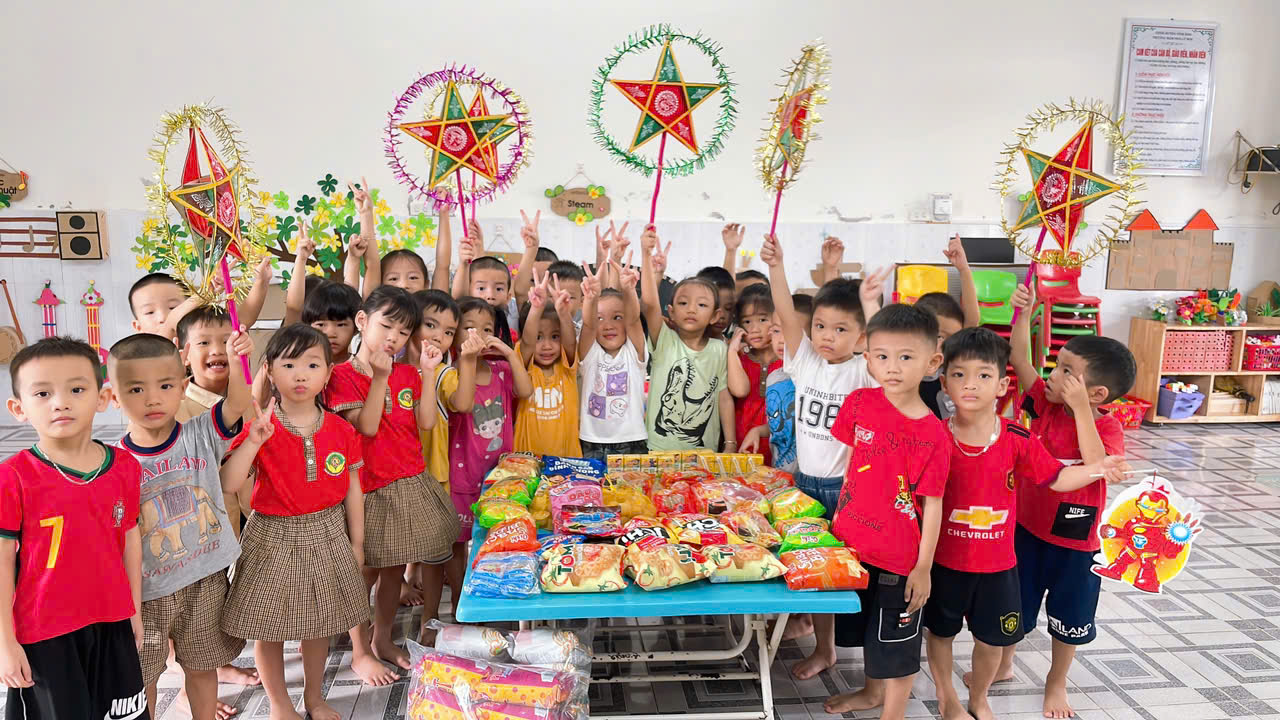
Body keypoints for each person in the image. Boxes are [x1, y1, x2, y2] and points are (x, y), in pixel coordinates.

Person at [925, 327, 1128, 720]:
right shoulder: (934, 436)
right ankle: (947, 697)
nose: (971, 384)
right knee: (943, 630)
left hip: (1008, 562)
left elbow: (1058, 476)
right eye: (959, 375)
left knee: (996, 636)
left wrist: (1099, 468)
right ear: (944, 382)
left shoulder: (1018, 438)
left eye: (984, 375)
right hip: (956, 557)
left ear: (1001, 386)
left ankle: (984, 696)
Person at [999, 283, 1137, 719]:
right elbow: (1020, 359)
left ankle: (1056, 681)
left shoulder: (1107, 427)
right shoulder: (1045, 402)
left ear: (1096, 394)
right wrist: (1025, 314)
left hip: (1076, 545)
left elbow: (1098, 463)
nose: (1053, 376)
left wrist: (1079, 411)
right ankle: (1005, 664)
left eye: (1065, 371)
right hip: (1025, 529)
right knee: (1015, 605)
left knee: (1069, 616)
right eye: (1057, 366)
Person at [220, 325, 371, 720]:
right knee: (268, 628)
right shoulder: (260, 425)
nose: (300, 374)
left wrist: (357, 543)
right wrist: (254, 440)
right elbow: (228, 483)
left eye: (312, 365)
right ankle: (279, 704)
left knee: (319, 625)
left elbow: (354, 489)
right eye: (288, 365)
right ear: (269, 371)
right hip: (271, 536)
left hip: (327, 533)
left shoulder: (341, 430)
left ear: (328, 373)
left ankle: (314, 698)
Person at [109, 331, 255, 720]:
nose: (152, 399)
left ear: (183, 386)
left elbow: (238, 402)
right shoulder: (115, 464)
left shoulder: (201, 433)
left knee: (202, 667)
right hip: (146, 594)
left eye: (165, 385)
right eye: (136, 389)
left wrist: (238, 360)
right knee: (144, 676)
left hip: (205, 579)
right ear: (113, 396)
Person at [0, 337, 148, 720]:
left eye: (76, 389)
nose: (60, 402)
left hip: (112, 620)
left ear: (102, 398)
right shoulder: (13, 477)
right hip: (44, 633)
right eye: (43, 393)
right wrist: (4, 642)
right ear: (18, 408)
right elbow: (1, 563)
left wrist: (133, 610)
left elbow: (130, 538)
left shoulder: (125, 467)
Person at [761, 232, 884, 673]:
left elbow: (884, 347)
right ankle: (825, 647)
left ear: (862, 335)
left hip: (847, 490)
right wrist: (776, 266)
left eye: (840, 329)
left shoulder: (865, 370)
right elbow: (785, 312)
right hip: (805, 485)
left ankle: (869, 655)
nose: (826, 336)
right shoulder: (806, 361)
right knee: (818, 571)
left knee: (849, 573)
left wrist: (869, 303)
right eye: (820, 326)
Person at [823, 304, 950, 719]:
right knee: (866, 632)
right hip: (851, 546)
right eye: (882, 356)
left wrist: (923, 567)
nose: (892, 367)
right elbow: (851, 462)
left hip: (900, 559)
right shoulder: (859, 402)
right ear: (868, 359)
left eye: (906, 356)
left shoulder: (933, 434)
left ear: (932, 362)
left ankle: (891, 713)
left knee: (896, 644)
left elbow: (933, 504)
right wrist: (836, 522)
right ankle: (870, 693)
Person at [324, 287, 459, 674]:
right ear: (362, 321)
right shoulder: (341, 376)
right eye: (386, 326)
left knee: (393, 570)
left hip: (408, 481)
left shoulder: (407, 374)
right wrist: (381, 378)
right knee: (362, 573)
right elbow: (365, 427)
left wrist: (428, 373)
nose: (394, 338)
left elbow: (427, 422)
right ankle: (359, 651)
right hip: (367, 489)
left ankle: (381, 638)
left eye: (403, 332)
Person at [443, 298, 533, 611]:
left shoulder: (502, 371)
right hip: (461, 476)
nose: (478, 336)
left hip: (500, 479)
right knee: (457, 542)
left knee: (498, 537)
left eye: (486, 329)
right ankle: (460, 600)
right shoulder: (450, 375)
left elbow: (526, 391)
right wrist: (466, 360)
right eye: (469, 328)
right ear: (454, 334)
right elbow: (461, 404)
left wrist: (509, 352)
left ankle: (494, 596)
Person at [640, 228, 732, 452]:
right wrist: (647, 257)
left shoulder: (719, 349)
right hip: (659, 451)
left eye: (702, 304)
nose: (691, 309)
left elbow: (723, 397)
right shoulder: (664, 340)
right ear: (671, 311)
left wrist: (730, 443)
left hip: (704, 454)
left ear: (715, 316)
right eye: (683, 303)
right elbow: (649, 305)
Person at [578, 255, 648, 460]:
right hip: (592, 442)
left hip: (632, 441)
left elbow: (634, 320)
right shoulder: (590, 354)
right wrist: (591, 299)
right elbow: (588, 325)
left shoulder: (634, 352)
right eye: (600, 318)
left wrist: (629, 290)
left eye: (617, 317)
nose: (608, 325)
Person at [513, 269, 581, 456]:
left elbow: (570, 342)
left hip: (567, 461)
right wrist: (536, 308)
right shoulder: (524, 367)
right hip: (526, 461)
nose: (547, 346)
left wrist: (564, 315)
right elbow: (527, 343)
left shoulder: (566, 368)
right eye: (539, 337)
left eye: (555, 336)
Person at [914, 234, 981, 419]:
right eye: (938, 336)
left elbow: (973, 319)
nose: (944, 345)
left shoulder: (951, 363)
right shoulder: (906, 366)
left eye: (951, 338)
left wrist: (963, 269)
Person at [727, 285, 780, 463]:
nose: (755, 329)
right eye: (747, 322)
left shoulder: (787, 362)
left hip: (779, 452)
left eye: (763, 320)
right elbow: (739, 390)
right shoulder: (739, 360)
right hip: (744, 449)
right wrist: (732, 352)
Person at [696, 265, 736, 340]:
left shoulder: (733, 345)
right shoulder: (677, 340)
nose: (721, 315)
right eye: (715, 306)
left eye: (728, 308)